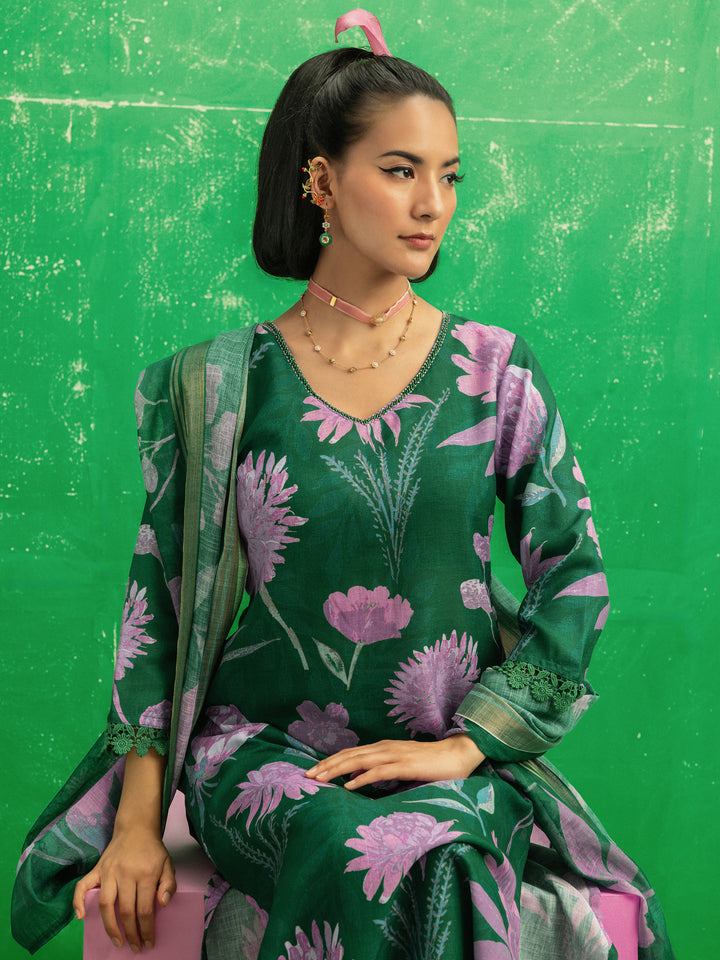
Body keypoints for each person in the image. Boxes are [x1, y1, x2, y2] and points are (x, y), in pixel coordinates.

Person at [12, 10, 674, 960]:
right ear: (322, 180)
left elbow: (575, 573)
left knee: (433, 849)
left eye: (450, 176)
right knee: (358, 844)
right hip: (264, 756)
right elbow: (158, 607)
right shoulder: (216, 384)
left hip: (440, 756)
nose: (432, 204)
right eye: (401, 171)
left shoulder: (494, 372)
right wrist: (134, 824)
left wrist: (469, 745)